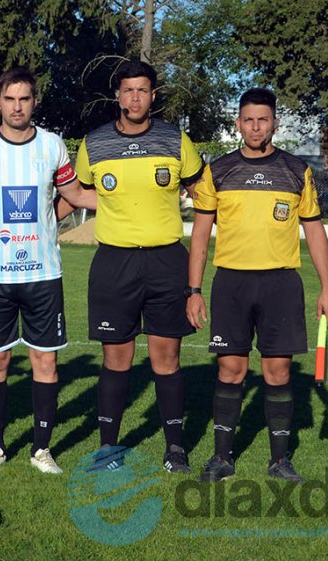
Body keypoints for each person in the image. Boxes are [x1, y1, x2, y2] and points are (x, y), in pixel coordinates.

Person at [0, 67, 96, 475]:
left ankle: (42, 450)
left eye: (24, 99)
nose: (16, 106)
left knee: (46, 363)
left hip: (43, 275)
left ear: (33, 102)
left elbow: (74, 195)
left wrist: (129, 196)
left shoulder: (52, 145)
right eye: (9, 99)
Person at [186, 87, 328, 483]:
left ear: (275, 123)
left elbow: (316, 233)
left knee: (278, 372)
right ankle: (221, 458)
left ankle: (279, 461)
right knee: (231, 370)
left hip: (280, 284)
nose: (256, 127)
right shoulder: (216, 171)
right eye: (248, 120)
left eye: (263, 120)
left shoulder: (296, 170)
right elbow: (200, 236)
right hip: (231, 283)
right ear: (238, 124)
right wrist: (194, 290)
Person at [74, 59, 204, 473]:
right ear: (118, 96)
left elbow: (203, 193)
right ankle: (107, 449)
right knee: (117, 360)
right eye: (128, 90)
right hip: (114, 263)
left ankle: (175, 449)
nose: (135, 97)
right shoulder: (93, 144)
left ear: (153, 95)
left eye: (142, 90)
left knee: (166, 358)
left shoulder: (175, 140)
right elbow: (78, 191)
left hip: (167, 261)